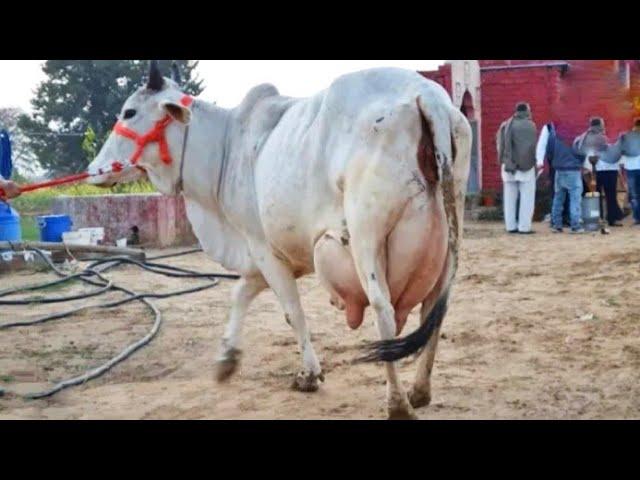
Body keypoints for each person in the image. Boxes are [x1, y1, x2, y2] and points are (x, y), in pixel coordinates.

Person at [496, 102, 539, 234]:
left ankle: (510, 226)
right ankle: (524, 227)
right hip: (525, 167)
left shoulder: (505, 125)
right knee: (527, 198)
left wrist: (504, 161)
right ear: (527, 111)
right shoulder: (530, 126)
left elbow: (500, 146)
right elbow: (531, 147)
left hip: (508, 165)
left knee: (509, 198)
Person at [537, 122, 586, 233]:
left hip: (558, 169)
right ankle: (575, 225)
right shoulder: (577, 133)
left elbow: (549, 150)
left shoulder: (555, 133)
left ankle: (556, 224)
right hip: (573, 170)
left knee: (558, 198)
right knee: (575, 198)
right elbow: (582, 152)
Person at [573, 117, 623, 227]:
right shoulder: (600, 137)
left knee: (594, 195)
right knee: (610, 195)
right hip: (605, 169)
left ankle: (595, 218)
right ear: (599, 125)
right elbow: (607, 150)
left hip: (590, 170)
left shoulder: (583, 137)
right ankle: (611, 219)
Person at [606, 118, 640, 226]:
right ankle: (637, 217)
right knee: (634, 195)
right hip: (630, 168)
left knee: (634, 195)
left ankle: (637, 218)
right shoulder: (626, 137)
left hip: (630, 168)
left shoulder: (626, 137)